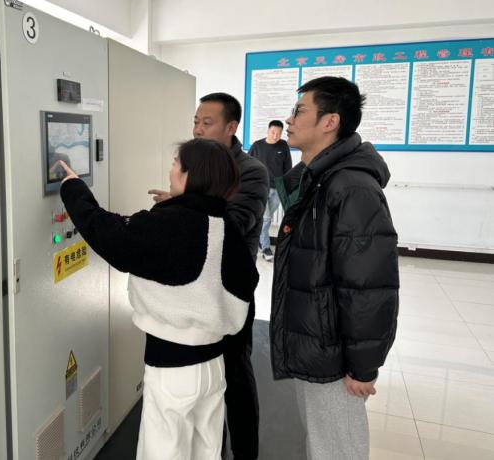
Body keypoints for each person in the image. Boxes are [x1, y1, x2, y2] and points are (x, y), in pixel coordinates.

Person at [58, 138, 259, 460]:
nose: (170, 170)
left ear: (190, 175)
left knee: (163, 451)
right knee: (205, 450)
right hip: (213, 367)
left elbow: (109, 233)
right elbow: (245, 282)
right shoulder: (225, 226)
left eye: (176, 163)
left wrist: (73, 187)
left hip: (173, 370)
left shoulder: (171, 224)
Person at [270, 76, 399, 460]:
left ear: (330, 121)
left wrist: (362, 367)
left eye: (299, 111)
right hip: (314, 342)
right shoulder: (317, 181)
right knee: (322, 441)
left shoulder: (350, 188)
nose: (289, 120)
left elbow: (368, 286)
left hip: (333, 355)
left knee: (336, 448)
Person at [149, 93, 268, 460]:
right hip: (194, 289)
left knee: (235, 373)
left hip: (228, 290)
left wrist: (181, 205)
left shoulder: (251, 171)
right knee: (206, 382)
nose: (198, 129)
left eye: (207, 123)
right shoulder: (199, 163)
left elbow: (235, 222)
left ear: (231, 127)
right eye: (196, 122)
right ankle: (212, 449)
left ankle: (245, 453)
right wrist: (180, 204)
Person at [249, 120, 292, 262]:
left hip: (277, 189)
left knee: (264, 219)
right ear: (268, 130)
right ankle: (266, 248)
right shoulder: (257, 146)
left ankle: (258, 240)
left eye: (279, 134)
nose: (275, 136)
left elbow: (288, 168)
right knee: (266, 218)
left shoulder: (283, 145)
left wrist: (286, 188)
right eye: (273, 132)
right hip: (260, 188)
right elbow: (248, 166)